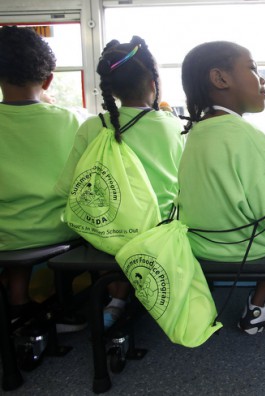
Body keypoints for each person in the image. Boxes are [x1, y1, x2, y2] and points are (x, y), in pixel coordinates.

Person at [56, 36, 184, 329]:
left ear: (110, 88)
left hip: (106, 230)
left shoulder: (93, 126)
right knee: (144, 228)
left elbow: (69, 186)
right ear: (153, 83)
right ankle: (127, 299)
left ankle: (115, 300)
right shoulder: (172, 125)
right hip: (158, 229)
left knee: (107, 233)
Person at [177, 41, 265, 335]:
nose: (263, 80)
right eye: (254, 69)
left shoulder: (194, 133)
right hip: (246, 250)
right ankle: (258, 307)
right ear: (220, 79)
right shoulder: (249, 137)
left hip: (200, 244)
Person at [0, 26, 82, 328]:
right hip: (58, 231)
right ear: (48, 79)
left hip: (4, 235)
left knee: (13, 230)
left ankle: (17, 303)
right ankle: (66, 305)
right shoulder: (73, 119)